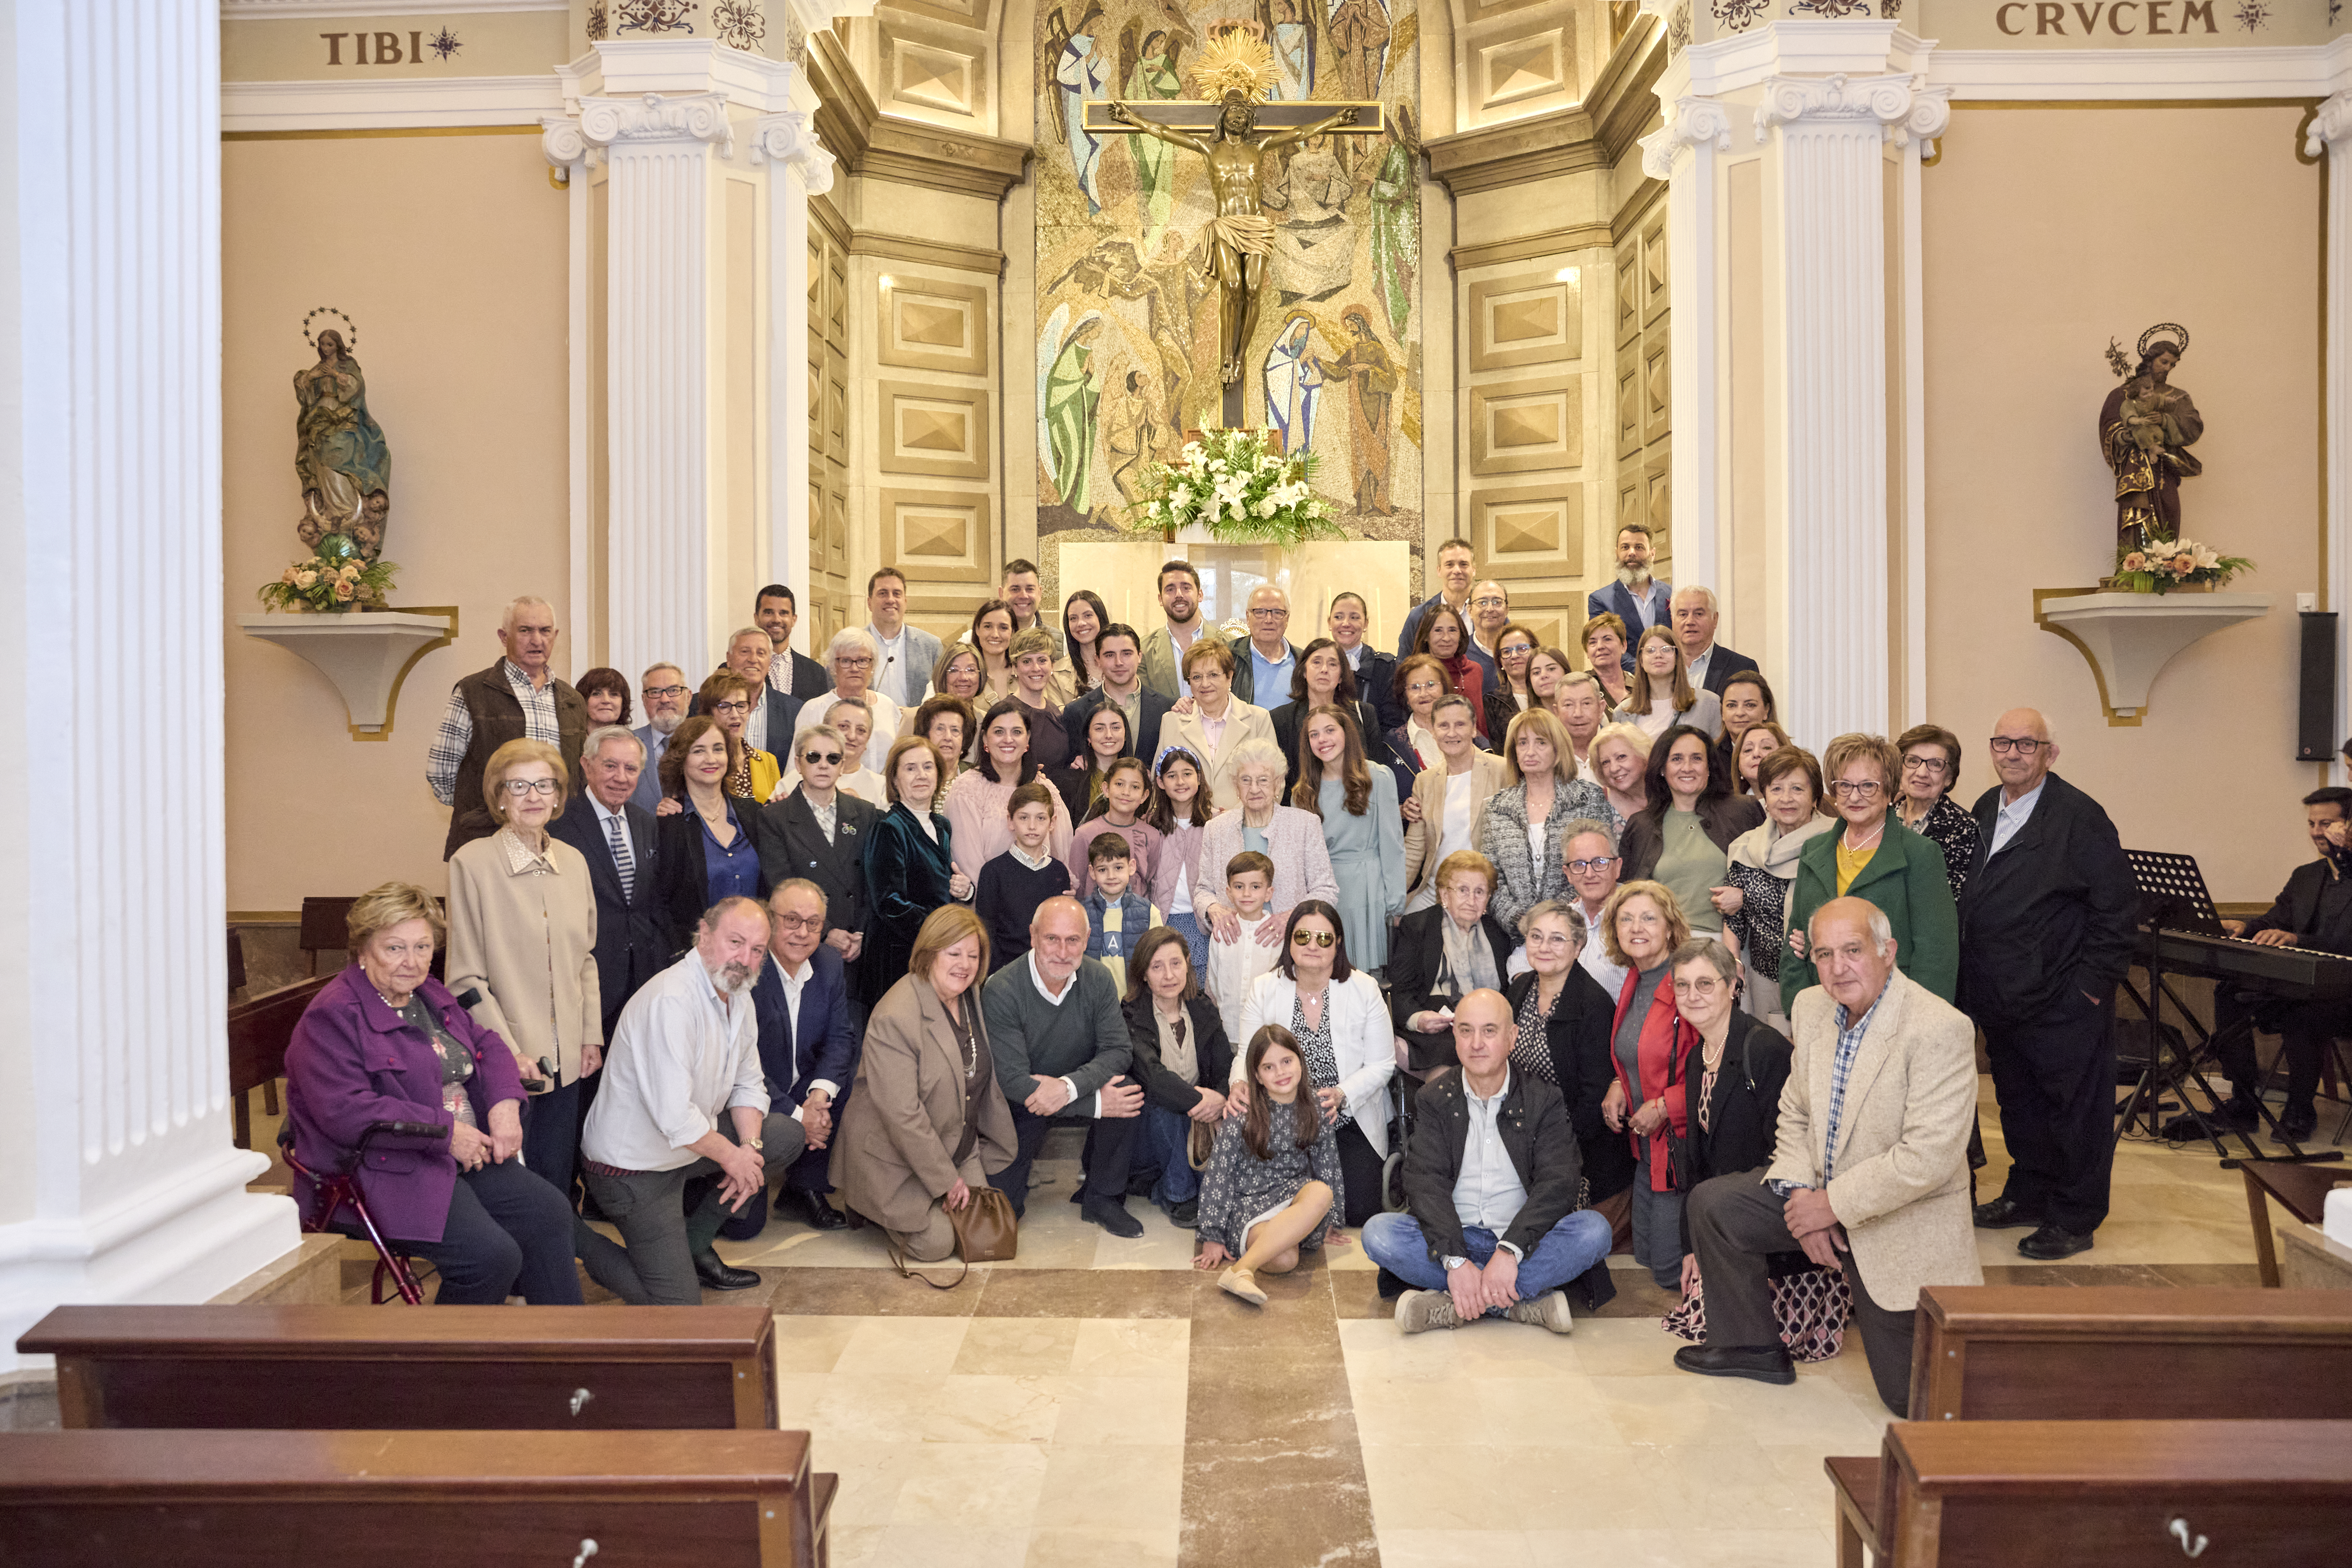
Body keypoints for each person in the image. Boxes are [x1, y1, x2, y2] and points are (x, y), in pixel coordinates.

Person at [1677, 898, 1981, 1412]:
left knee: (1917, 1400)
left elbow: (1926, 1158)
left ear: (1888, 951)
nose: (1838, 967)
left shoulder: (1939, 1028)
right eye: (1824, 953)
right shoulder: (1813, 1007)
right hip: (1818, 1191)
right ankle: (1748, 1345)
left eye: (1852, 950)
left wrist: (1831, 1205)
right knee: (1714, 1204)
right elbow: (1795, 1111)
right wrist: (1800, 1197)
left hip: (1899, 1219)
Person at [284, 881, 584, 1305]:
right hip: (382, 1166)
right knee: (490, 1258)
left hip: (455, 1154)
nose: (412, 962)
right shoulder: (332, 1017)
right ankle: (441, 1368)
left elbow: (487, 1044)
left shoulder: (427, 994)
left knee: (549, 1212)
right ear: (363, 950)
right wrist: (448, 1134)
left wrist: (504, 1105)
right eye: (395, 948)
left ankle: (564, 1354)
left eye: (423, 947)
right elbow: (347, 1111)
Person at [1958, 708, 2137, 1262]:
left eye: (2025, 744)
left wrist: (2088, 989)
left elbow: (2117, 909)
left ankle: (2075, 1216)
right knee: (2019, 1105)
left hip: (2063, 1000)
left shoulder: (2080, 817)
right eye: (2002, 742)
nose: (2011, 753)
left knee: (2075, 1114)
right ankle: (2029, 1194)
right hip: (2001, 997)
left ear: (2049, 754)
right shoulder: (1987, 806)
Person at [581, 897, 809, 1302]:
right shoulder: (673, 1001)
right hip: (632, 1170)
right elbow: (674, 1117)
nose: (745, 958)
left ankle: (692, 1243)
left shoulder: (737, 994)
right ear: (704, 935)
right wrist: (732, 1156)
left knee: (783, 1135)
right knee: (677, 1311)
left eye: (757, 950)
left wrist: (750, 1149)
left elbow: (750, 1085)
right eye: (735, 942)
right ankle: (571, 1237)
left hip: (683, 1150)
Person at [1363, 988, 1615, 1333]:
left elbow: (1559, 1181)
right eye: (1465, 1030)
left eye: (1489, 1031)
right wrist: (1455, 1259)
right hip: (1454, 1236)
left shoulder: (1543, 1099)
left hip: (1523, 1238)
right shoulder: (1435, 1099)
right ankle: (1518, 1304)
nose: (1476, 1043)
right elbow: (1425, 1182)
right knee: (1378, 1234)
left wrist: (1510, 1251)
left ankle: (1456, 1304)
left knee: (1594, 1232)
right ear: (1454, 1036)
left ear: (1512, 1037)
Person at [445, 737, 602, 1193]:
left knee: (557, 1176)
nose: (533, 796)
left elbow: (585, 958)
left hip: (570, 1055)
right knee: (515, 1185)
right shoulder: (471, 864)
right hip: (511, 1057)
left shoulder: (573, 862)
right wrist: (508, 1051)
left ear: (558, 795)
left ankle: (551, 1264)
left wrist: (590, 1033)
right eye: (519, 785)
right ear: (499, 796)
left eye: (544, 784)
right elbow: (465, 978)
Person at [832, 905, 1018, 1263]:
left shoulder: (968, 994)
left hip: (953, 1140)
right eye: (953, 953)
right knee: (937, 1245)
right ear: (930, 952)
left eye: (973, 955)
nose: (964, 964)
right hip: (893, 1152)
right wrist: (946, 1183)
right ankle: (868, 1204)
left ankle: (930, 1194)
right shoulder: (895, 1017)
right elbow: (903, 1116)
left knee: (982, 1234)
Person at [982, 897, 1149, 1235]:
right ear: (1032, 936)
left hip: (1076, 1083)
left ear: (1086, 940)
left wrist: (1068, 1088)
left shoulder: (1098, 979)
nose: (1062, 951)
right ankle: (1015, 1191)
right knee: (1000, 1218)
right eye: (1051, 939)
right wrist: (1093, 1103)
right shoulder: (1001, 989)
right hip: (1024, 1102)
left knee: (1126, 1093)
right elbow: (1012, 1080)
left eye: (1073, 940)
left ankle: (1102, 1198)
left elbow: (1118, 1050)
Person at [1235, 901, 1394, 1229]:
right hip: (1281, 1116)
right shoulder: (1264, 988)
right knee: (1276, 1204)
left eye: (1323, 939)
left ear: (1338, 943)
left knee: (1357, 1214)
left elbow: (1382, 1064)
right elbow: (1245, 1055)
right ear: (1289, 940)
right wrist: (1238, 1084)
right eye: (1303, 936)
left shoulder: (1364, 989)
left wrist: (1342, 1094)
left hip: (1346, 1117)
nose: (1312, 945)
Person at [2205, 787, 2352, 1139]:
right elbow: (2275, 920)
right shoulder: (2305, 875)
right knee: (2229, 993)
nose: (2317, 831)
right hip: (2300, 984)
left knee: (2303, 1012)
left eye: (2327, 823)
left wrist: (2299, 941)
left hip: (2345, 993)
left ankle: (2300, 1110)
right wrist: (2246, 928)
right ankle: (2243, 1104)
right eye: (2312, 823)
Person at [1658, 939, 1793, 1303]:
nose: (1692, 995)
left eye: (1706, 983)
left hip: (1772, 1242)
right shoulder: (1696, 1057)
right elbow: (1697, 1160)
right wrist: (1694, 1244)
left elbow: (1787, 1157)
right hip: (1722, 1220)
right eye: (1682, 985)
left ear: (1733, 986)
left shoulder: (1765, 1049)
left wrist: (1739, 1239)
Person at [1783, 733, 1960, 1009]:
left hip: (1894, 1010)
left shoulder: (1920, 854)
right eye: (1844, 785)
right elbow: (1794, 943)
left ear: (1889, 791)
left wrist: (1920, 1022)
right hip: (1821, 1006)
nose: (1855, 796)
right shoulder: (1813, 850)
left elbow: (1936, 955)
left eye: (1868, 786)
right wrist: (1799, 1009)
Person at [1507, 901, 1633, 1250]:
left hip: (1579, 1149)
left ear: (1578, 947)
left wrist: (1544, 1147)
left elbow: (1593, 1100)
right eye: (1536, 937)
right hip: (1524, 1135)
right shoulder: (1519, 991)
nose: (1544, 947)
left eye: (1557, 939)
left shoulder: (1592, 1004)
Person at [429, 596, 589, 859]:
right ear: (504, 637)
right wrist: (486, 812)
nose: (537, 640)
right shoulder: (472, 692)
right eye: (525, 630)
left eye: (545, 631)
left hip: (556, 842)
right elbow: (441, 774)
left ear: (555, 635)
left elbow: (579, 778)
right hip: (488, 841)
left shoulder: (573, 700)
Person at [1194, 1025, 1343, 1304]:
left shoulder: (1315, 1107)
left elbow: (1328, 1163)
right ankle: (1246, 1267)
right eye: (1269, 1068)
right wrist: (1211, 1234)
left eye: (1287, 1062)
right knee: (1285, 1260)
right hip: (1248, 1204)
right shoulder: (1243, 1113)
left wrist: (1331, 1219)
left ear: (1300, 1060)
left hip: (1294, 1194)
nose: (1281, 1073)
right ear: (1258, 1077)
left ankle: (1241, 1270)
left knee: (1322, 1192)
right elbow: (1219, 1175)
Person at [745, 880, 859, 1233]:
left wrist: (819, 1098)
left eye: (814, 923)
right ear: (770, 920)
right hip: (751, 1093)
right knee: (743, 1227)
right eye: (791, 920)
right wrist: (798, 1115)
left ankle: (805, 1188)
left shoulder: (828, 963)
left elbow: (840, 1038)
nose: (803, 933)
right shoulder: (750, 969)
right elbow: (742, 1065)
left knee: (849, 1082)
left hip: (802, 1086)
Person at [1598, 879, 1696, 1291]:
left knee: (1669, 1271)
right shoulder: (1635, 981)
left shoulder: (1689, 982)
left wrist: (1665, 1106)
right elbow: (1637, 1049)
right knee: (1645, 1257)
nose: (1637, 927)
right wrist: (1618, 1082)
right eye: (1626, 919)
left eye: (1649, 918)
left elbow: (1712, 1067)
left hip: (1680, 1147)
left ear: (1670, 927)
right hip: (1647, 1150)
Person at [549, 727, 675, 1045]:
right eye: (610, 766)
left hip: (644, 980)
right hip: (589, 984)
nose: (621, 777)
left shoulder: (646, 822)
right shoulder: (559, 826)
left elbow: (652, 901)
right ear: (586, 765)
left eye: (631, 768)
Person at [752, 723, 879, 997]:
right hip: (804, 941)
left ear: (843, 765)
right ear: (798, 763)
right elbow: (780, 885)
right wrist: (826, 932)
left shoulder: (866, 813)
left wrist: (860, 934)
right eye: (813, 757)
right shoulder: (775, 818)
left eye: (833, 758)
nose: (823, 765)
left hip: (856, 947)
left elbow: (872, 881)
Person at [1123, 926, 1233, 1227]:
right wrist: (1204, 1101)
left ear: (1188, 963)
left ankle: (1180, 1186)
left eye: (1175, 963)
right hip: (1149, 1130)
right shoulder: (1131, 1015)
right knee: (1162, 1101)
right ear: (1143, 974)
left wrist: (1221, 1097)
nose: (1169, 975)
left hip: (1199, 1123)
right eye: (1157, 967)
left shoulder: (1202, 1008)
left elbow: (1226, 1065)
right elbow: (1153, 1077)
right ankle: (1178, 1195)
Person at [1719, 744, 1833, 1032]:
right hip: (1762, 983)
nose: (1786, 799)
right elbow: (1734, 919)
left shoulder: (1834, 846)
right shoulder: (1744, 848)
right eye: (1777, 788)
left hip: (1822, 978)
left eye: (1797, 789)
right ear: (1765, 798)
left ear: (1814, 797)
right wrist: (1733, 961)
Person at [1619, 724, 1763, 935]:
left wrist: (1746, 896)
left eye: (1697, 758)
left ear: (1709, 767)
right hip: (1664, 946)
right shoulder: (1641, 826)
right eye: (1677, 759)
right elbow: (1626, 895)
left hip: (1731, 946)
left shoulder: (1743, 812)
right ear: (1662, 768)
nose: (1687, 767)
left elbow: (1775, 879)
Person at [1294, 705, 1407, 974]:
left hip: (1369, 892)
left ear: (1347, 733)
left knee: (1368, 980)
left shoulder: (1377, 778)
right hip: (1324, 895)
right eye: (1314, 735)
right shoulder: (1303, 792)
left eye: (1330, 730)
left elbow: (1392, 845)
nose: (1322, 740)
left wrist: (1395, 902)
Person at [1195, 739, 1339, 949]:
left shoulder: (1305, 824)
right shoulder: (1216, 829)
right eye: (1246, 780)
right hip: (1234, 944)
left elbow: (1326, 890)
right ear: (1236, 785)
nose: (1254, 789)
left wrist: (1292, 918)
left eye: (1263, 780)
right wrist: (1213, 907)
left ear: (1278, 784)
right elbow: (1203, 890)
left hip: (1291, 944)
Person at [863, 736, 971, 1005]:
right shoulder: (889, 828)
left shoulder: (942, 825)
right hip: (900, 955)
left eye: (927, 767)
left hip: (937, 952)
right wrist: (941, 934)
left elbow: (939, 885)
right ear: (895, 780)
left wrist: (965, 890)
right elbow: (889, 902)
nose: (920, 775)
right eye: (910, 769)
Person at [1479, 709, 1605, 935]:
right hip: (1517, 936)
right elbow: (1491, 877)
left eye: (1541, 743)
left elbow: (1598, 865)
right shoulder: (1497, 807)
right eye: (1523, 743)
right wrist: (1521, 921)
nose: (1530, 751)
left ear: (1558, 751)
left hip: (1580, 929)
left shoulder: (1588, 799)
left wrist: (1554, 917)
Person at [1391, 851, 1516, 1070]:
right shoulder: (1418, 927)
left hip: (1485, 1022)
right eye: (1463, 890)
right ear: (1445, 895)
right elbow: (1400, 992)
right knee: (1454, 1054)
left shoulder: (1498, 935)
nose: (1472, 900)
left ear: (1488, 899)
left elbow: (1507, 994)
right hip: (1437, 1023)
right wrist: (1418, 1019)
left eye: (1480, 892)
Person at [654, 715, 767, 946]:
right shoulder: (669, 825)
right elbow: (662, 906)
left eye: (718, 749)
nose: (711, 759)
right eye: (698, 751)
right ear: (681, 759)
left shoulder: (754, 814)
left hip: (757, 950)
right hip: (696, 956)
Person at [944, 699, 1077, 886]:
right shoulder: (966, 790)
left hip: (1043, 903)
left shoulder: (1045, 789)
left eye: (1017, 732)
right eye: (999, 732)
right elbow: (968, 863)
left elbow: (1063, 855)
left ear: (1028, 739)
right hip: (987, 905)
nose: (1008, 740)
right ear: (985, 739)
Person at [1401, 695, 1505, 913]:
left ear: (1474, 729)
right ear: (1433, 732)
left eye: (1460, 725)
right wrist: (1393, 898)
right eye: (1443, 726)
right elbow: (1414, 848)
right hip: (1435, 891)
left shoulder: (1502, 771)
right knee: (1405, 928)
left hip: (1483, 892)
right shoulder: (1425, 782)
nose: (1451, 733)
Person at [1157, 640, 1274, 812]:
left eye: (1213, 675)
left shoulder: (1259, 719)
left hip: (1247, 824)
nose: (1205, 684)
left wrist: (1238, 817)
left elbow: (1274, 778)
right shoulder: (1172, 721)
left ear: (1230, 677)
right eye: (1197, 677)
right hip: (1188, 828)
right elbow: (1160, 779)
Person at [1271, 637, 1393, 795]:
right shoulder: (1281, 719)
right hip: (1302, 808)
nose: (1324, 670)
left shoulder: (1364, 714)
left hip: (1357, 806)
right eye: (1317, 662)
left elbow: (1378, 770)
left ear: (1342, 676)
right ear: (1303, 671)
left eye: (1333, 664)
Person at [976, 782, 1074, 975]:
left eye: (1040, 818)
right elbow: (986, 934)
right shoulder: (993, 872)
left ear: (1052, 823)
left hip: (1049, 971)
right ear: (1010, 822)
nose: (1032, 826)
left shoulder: (1059, 872)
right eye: (1024, 818)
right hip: (1005, 972)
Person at [790, 628, 901, 777]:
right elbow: (796, 768)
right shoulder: (814, 709)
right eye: (846, 661)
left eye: (862, 661)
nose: (855, 668)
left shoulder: (888, 706)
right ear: (834, 666)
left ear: (873, 666)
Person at [1060, 621, 1173, 765]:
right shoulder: (1076, 712)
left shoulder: (1166, 709)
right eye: (1109, 655)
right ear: (1098, 660)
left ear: (1139, 657)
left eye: (1127, 654)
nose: (1119, 662)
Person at [1893, 722, 1981, 899]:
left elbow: (1950, 899)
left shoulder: (1963, 828)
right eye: (1913, 761)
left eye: (1935, 764)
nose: (1922, 772)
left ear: (1949, 777)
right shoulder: (1882, 817)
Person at [699, 627, 803, 776]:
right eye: (745, 652)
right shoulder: (701, 703)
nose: (753, 659)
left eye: (761, 653)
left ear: (770, 662)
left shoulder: (795, 711)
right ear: (729, 659)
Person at [1206, 850, 1284, 1044]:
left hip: (1268, 1033)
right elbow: (1214, 981)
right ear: (1229, 893)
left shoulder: (1279, 935)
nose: (1247, 894)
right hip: (1229, 1032)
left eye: (1256, 887)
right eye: (1239, 887)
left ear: (1269, 893)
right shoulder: (1221, 933)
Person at [1151, 747, 1217, 972]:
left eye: (1187, 774)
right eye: (1171, 776)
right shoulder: (1150, 826)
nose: (1180, 781)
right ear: (1161, 782)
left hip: (1205, 926)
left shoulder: (1218, 824)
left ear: (1199, 777)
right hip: (1162, 923)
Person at [1069, 754, 1160, 899]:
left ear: (1144, 796)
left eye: (1135, 787)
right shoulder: (1085, 834)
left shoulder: (1152, 836)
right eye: (1119, 784)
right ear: (1106, 789)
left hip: (1137, 919)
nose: (1126, 792)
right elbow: (1076, 886)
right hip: (1094, 919)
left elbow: (1151, 883)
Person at [1140, 559, 1232, 701]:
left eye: (1186, 588)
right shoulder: (1144, 650)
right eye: (1170, 589)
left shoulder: (1229, 644)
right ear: (1160, 599)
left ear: (1200, 595)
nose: (1179, 595)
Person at [1561, 820, 1630, 1002]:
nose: (1590, 874)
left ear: (1618, 867)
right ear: (1568, 874)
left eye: (1600, 862)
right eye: (1579, 865)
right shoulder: (1563, 920)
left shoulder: (1637, 922)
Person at [1615, 626, 1723, 741]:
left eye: (1666, 649)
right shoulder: (1622, 713)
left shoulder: (1709, 704)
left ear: (1677, 657)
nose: (1658, 655)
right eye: (1650, 650)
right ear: (1641, 660)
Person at [1411, 603, 1494, 744]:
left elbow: (1480, 723)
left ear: (1461, 634)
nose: (1446, 638)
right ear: (1426, 636)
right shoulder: (1414, 674)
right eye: (1438, 630)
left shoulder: (1474, 670)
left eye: (1453, 630)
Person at [697, 671, 782, 802]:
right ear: (709, 712)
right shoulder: (702, 762)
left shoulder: (768, 761)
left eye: (741, 706)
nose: (735, 715)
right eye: (725, 707)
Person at [1082, 832, 1158, 977]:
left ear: (1132, 867)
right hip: (1094, 998)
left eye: (1118, 868)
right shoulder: (1080, 913)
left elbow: (1157, 959)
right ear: (1092, 872)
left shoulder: (1149, 912)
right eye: (1103, 870)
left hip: (1135, 996)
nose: (1111, 876)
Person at [863, 567, 941, 707]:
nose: (891, 600)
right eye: (883, 593)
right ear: (869, 603)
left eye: (897, 594)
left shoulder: (931, 646)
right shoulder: (852, 646)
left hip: (916, 727)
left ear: (905, 602)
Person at [1588, 522, 1671, 654]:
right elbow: (1605, 648)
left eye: (1639, 547)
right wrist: (1645, 670)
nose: (1632, 553)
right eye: (1625, 547)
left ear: (1652, 554)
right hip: (1626, 674)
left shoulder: (1672, 594)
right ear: (1617, 553)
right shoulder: (1600, 600)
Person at [1327, 590, 1402, 733]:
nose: (1346, 624)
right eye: (1338, 617)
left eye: (1355, 618)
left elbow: (1393, 724)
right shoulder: (1317, 666)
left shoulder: (1384, 667)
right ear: (1329, 623)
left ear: (1366, 624)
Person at [1668, 586, 1759, 696]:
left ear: (1715, 619)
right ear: (1673, 620)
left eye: (1699, 614)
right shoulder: (1659, 665)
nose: (1690, 622)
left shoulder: (1741, 668)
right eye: (1683, 615)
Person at [1397, 536, 1477, 657]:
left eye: (1464, 564)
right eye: (1449, 565)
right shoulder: (1419, 616)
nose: (1457, 570)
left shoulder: (1490, 614)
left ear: (1474, 570)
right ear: (1439, 570)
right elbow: (1404, 666)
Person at [1004, 627, 1070, 774]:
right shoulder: (1005, 713)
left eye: (1042, 660)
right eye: (1027, 661)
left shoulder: (1054, 710)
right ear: (1015, 667)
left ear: (1052, 666)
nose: (1036, 668)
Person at [631, 662, 693, 815]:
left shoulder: (705, 745)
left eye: (673, 690)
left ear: (688, 697)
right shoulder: (628, 744)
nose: (665, 699)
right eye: (655, 692)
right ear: (644, 701)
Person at [757, 583, 833, 701]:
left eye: (784, 613)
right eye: (769, 613)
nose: (777, 619)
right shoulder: (739, 669)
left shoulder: (816, 673)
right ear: (757, 618)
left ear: (794, 620)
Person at [1232, 582, 1300, 707]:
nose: (1269, 620)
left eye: (1277, 612)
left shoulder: (1303, 660)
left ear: (1287, 619)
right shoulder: (1229, 656)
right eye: (1260, 612)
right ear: (1248, 616)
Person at [1384, 652, 1450, 774]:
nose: (1424, 694)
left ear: (1444, 689)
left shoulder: (1463, 731)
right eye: (1415, 687)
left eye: (1431, 685)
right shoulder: (1393, 743)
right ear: (1405, 696)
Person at [1585, 720, 1651, 842]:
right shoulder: (1597, 807)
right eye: (1606, 762)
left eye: (1621, 757)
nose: (1614, 769)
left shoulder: (1670, 793)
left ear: (1643, 755)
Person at [1716, 670, 1777, 782]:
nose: (1740, 713)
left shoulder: (1787, 756)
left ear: (1766, 710)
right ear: (1722, 713)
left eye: (1750, 705)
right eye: (1731, 705)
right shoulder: (1710, 758)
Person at [1554, 668, 1608, 780]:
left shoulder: (1619, 750)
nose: (1578, 714)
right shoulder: (1548, 755)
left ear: (1601, 708)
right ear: (1556, 712)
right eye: (1569, 705)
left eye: (1586, 703)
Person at [911, 693, 976, 782]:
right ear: (925, 735)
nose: (948, 737)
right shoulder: (911, 778)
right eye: (940, 729)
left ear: (964, 739)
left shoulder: (978, 778)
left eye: (955, 730)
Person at [1060, 588, 1110, 697]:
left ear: (1100, 617)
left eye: (1088, 616)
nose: (1081, 623)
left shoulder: (1121, 662)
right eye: (1073, 618)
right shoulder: (1058, 673)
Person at [1463, 581, 1511, 695]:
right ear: (1470, 611)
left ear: (1507, 609)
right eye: (1483, 603)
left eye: (1497, 602)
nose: (1490, 609)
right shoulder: (1460, 653)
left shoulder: (1521, 651)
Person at [967, 598, 1019, 702]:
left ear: (1012, 632)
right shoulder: (965, 676)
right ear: (977, 630)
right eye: (988, 627)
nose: (995, 635)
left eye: (1003, 628)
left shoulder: (1024, 674)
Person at [1580, 613, 1633, 709]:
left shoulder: (1641, 687)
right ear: (1587, 652)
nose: (1600, 647)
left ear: (1624, 646)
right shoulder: (1581, 688)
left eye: (1607, 639)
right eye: (1593, 642)